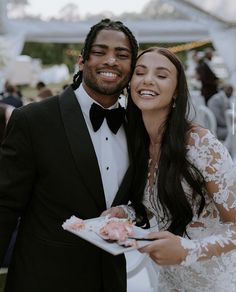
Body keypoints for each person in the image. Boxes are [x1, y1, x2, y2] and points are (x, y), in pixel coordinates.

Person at [0, 18, 138, 292]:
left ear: (132, 67)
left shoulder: (140, 126)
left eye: (122, 55)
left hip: (111, 280)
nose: (111, 61)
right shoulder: (33, 120)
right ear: (82, 61)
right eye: (100, 52)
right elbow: (5, 205)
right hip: (43, 280)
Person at [103, 47, 236, 291]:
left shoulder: (199, 144)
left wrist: (189, 250)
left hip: (214, 284)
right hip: (169, 283)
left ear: (176, 92)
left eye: (161, 75)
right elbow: (161, 204)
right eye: (140, 72)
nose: (148, 79)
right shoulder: (137, 143)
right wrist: (126, 213)